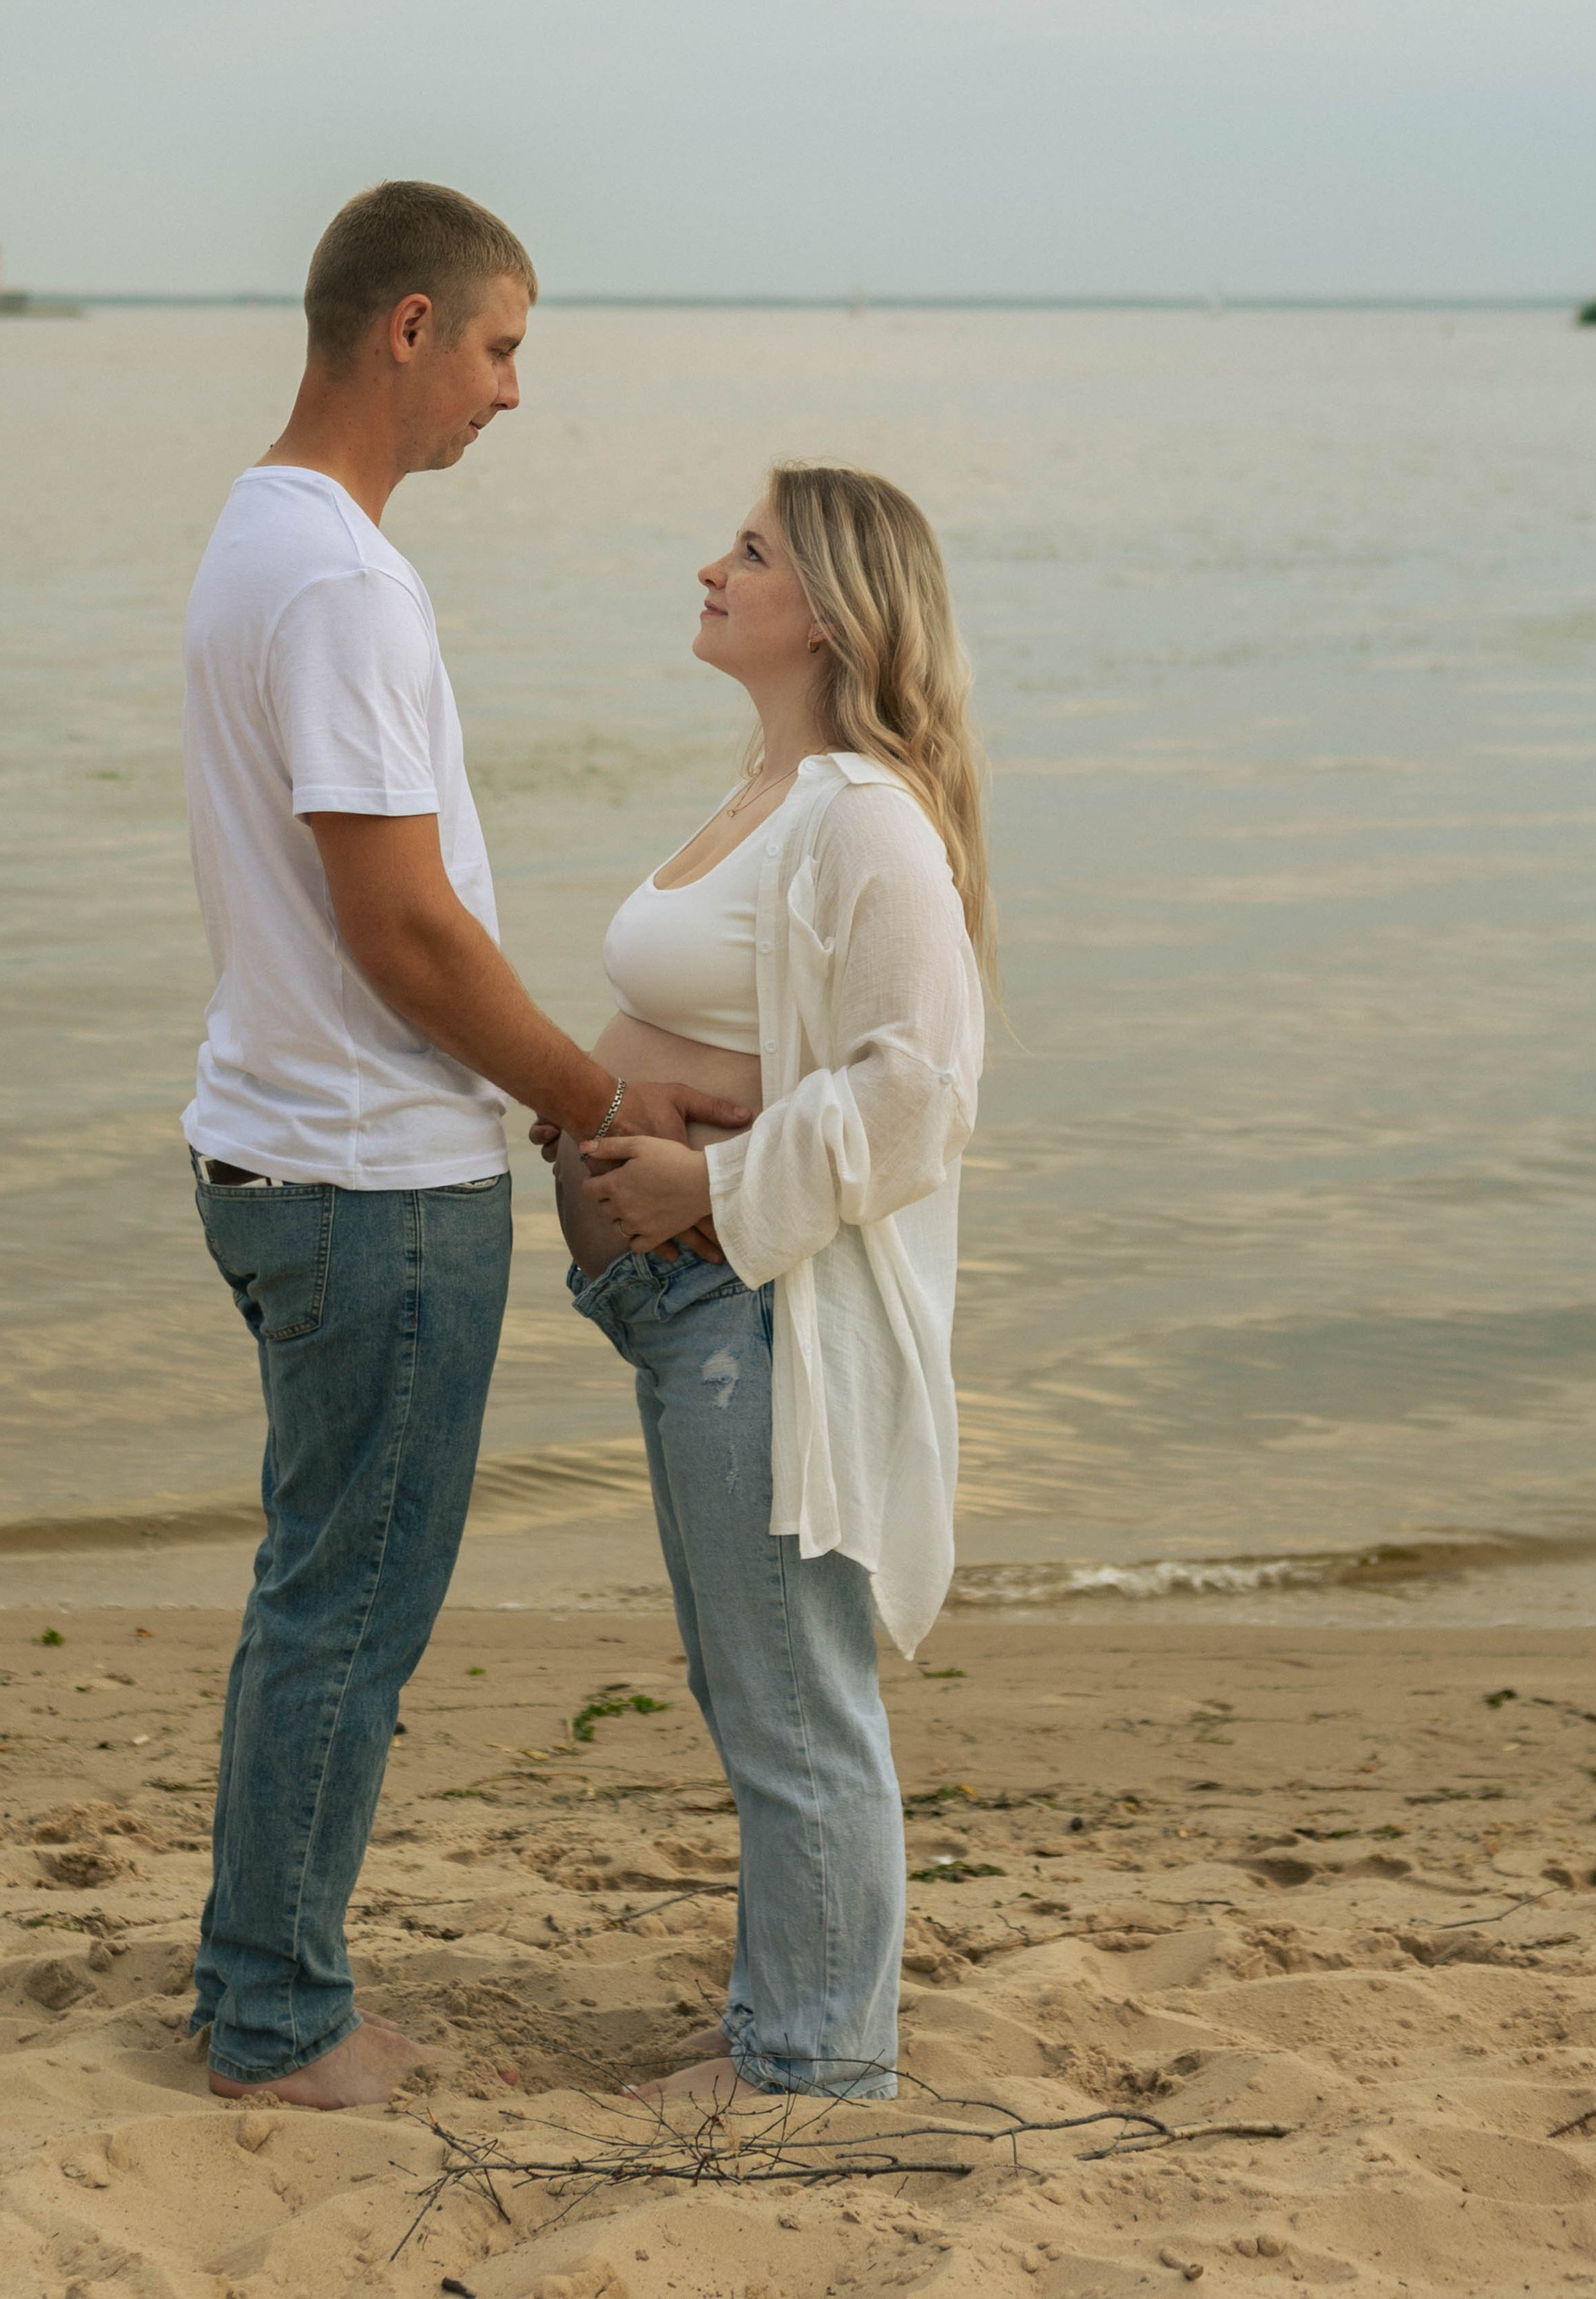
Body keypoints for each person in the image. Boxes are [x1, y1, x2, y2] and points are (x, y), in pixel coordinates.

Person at [180, 180, 749, 2112]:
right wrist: (591, 1105)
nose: (514, 392)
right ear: (405, 329)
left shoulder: (262, 538)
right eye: (501, 346)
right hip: (360, 1183)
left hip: (285, 1147)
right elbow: (402, 928)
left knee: (313, 1587)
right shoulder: (339, 579)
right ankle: (273, 2022)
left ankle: (264, 1983)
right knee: (348, 1607)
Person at [546, 463, 988, 2106]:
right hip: (681, 1315)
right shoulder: (765, 791)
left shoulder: (865, 817)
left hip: (755, 1314)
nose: (708, 567)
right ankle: (787, 2023)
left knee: (795, 1707)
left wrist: (711, 1190)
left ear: (833, 605)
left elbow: (921, 1090)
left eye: (746, 551)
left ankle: (814, 2066)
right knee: (753, 1687)